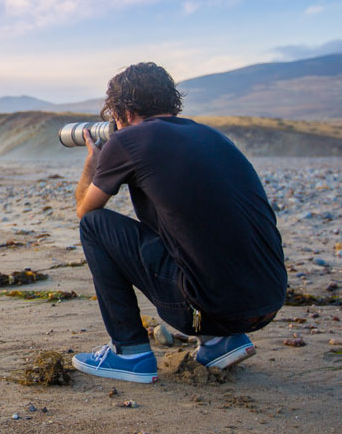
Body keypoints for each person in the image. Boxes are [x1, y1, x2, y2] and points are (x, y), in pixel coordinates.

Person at [71, 62, 287, 383]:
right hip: (267, 303)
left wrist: (94, 161)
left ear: (124, 112)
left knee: (95, 226)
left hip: (202, 312)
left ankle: (129, 352)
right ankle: (219, 341)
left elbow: (85, 211)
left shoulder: (128, 140)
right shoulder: (210, 135)